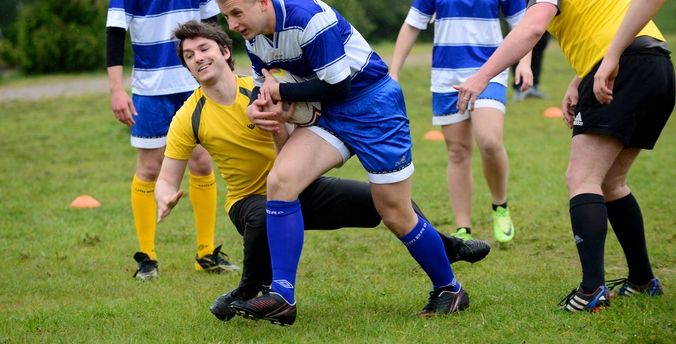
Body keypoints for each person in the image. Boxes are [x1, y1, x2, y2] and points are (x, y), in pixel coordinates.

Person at [153, 20, 492, 323]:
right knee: (261, 213)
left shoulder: (261, 91)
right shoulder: (189, 115)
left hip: (301, 188)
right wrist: (165, 193)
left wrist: (278, 128)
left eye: (204, 48)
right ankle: (250, 290)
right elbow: (168, 176)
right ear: (187, 67)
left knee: (385, 201)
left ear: (226, 52)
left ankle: (444, 246)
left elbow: (289, 155)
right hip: (247, 202)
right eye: (188, 55)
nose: (197, 57)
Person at [216, 0, 471, 325]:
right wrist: (258, 107)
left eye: (236, 13)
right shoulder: (257, 39)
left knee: (394, 212)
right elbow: (267, 89)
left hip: (373, 106)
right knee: (281, 182)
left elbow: (338, 86)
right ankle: (282, 297)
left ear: (261, 2)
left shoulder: (307, 18)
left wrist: (283, 94)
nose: (231, 24)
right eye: (226, 17)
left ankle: (450, 289)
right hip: (328, 113)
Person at [454, 0, 674, 312]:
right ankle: (642, 280)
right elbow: (607, 21)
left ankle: (591, 292)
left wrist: (482, 77)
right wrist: (578, 79)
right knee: (611, 181)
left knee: (582, 177)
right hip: (657, 64)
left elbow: (534, 26)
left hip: (627, 67)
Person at [106, 0, 238, 280]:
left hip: (196, 86)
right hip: (149, 88)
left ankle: (206, 253)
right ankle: (147, 257)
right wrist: (117, 89)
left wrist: (227, 72)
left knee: (201, 161)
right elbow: (115, 33)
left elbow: (213, 29)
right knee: (149, 167)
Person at [391, 0, 530, 244]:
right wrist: (393, 73)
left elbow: (525, 27)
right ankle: (463, 228)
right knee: (457, 152)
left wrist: (523, 65)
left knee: (489, 140)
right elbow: (412, 26)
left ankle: (499, 205)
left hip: (490, 73)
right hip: (446, 77)